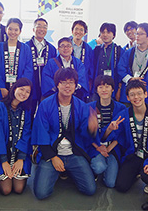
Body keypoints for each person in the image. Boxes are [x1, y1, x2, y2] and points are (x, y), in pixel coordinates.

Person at [32, 68, 96, 199]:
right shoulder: (45, 105)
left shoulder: (82, 106)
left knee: (90, 190)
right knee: (41, 194)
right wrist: (53, 157)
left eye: (71, 82)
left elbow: (85, 135)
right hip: (52, 153)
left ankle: (70, 172)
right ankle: (56, 171)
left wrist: (92, 128)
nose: (68, 86)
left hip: (74, 153)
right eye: (64, 82)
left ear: (76, 85)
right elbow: (41, 133)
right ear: (57, 84)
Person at [106, 80, 148, 193]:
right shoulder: (124, 115)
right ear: (127, 97)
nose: (136, 97)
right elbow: (110, 136)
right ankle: (136, 173)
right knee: (121, 186)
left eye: (139, 93)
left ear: (145, 94)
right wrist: (110, 129)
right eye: (132, 95)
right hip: (133, 155)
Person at [0, 78, 33, 195]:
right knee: (6, 189)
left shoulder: (27, 110)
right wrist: (4, 161)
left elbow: (26, 134)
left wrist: (20, 159)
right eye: (21, 89)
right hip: (1, 155)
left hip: (19, 154)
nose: (23, 93)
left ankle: (18, 168)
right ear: (14, 88)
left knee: (18, 189)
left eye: (27, 92)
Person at [85, 75, 126, 188]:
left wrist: (108, 148)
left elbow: (122, 134)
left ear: (113, 89)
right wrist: (98, 147)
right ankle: (93, 168)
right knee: (99, 167)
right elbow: (85, 133)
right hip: (94, 146)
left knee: (111, 183)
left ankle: (105, 169)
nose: (104, 90)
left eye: (107, 86)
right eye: (100, 87)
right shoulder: (89, 107)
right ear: (96, 90)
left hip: (112, 147)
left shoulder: (121, 108)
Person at [0, 18, 33, 106]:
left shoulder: (25, 48)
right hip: (1, 90)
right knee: (1, 111)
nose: (13, 32)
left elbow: (28, 69)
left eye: (16, 30)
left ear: (20, 31)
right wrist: (2, 88)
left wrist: (19, 88)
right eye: (10, 29)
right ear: (5, 29)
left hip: (19, 91)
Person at [25, 18, 57, 116]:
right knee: (29, 112)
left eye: (44, 27)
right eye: (39, 26)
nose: (41, 29)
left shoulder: (51, 48)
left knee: (46, 113)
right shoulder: (25, 46)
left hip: (46, 87)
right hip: (31, 85)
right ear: (33, 29)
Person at [92, 23, 124, 101]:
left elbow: (122, 70)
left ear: (113, 35)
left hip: (112, 87)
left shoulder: (119, 50)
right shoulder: (97, 49)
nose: (105, 35)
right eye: (103, 32)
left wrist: (119, 89)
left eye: (108, 32)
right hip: (97, 87)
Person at [71, 20, 94, 93]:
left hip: (82, 83)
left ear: (84, 33)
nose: (78, 32)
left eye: (81, 30)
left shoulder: (88, 48)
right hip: (67, 81)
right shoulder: (66, 46)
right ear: (72, 31)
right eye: (76, 29)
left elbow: (91, 67)